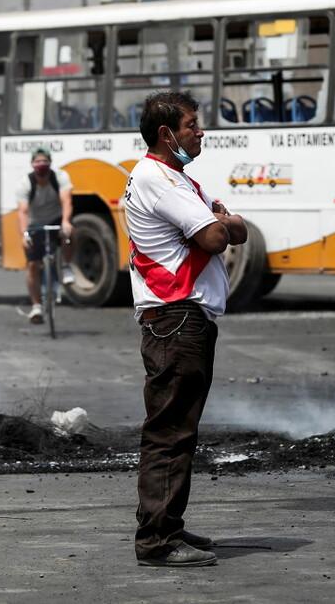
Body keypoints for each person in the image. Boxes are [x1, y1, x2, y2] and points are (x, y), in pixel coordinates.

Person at [125, 91, 248, 568]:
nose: (200, 132)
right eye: (193, 124)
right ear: (166, 134)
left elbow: (232, 227)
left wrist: (225, 222)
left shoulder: (177, 179)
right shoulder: (160, 180)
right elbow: (219, 235)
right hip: (176, 319)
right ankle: (156, 540)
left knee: (179, 430)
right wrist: (223, 222)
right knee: (170, 432)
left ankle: (167, 525)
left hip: (180, 319)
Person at [15, 148, 74, 324]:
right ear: (32, 166)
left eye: (45, 163)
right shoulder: (25, 183)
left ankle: (66, 266)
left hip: (56, 218)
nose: (41, 167)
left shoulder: (60, 178)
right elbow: (23, 211)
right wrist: (25, 234)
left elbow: (66, 201)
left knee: (70, 232)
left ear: (50, 165)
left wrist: (66, 221)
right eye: (37, 163)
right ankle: (36, 307)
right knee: (32, 264)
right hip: (34, 224)